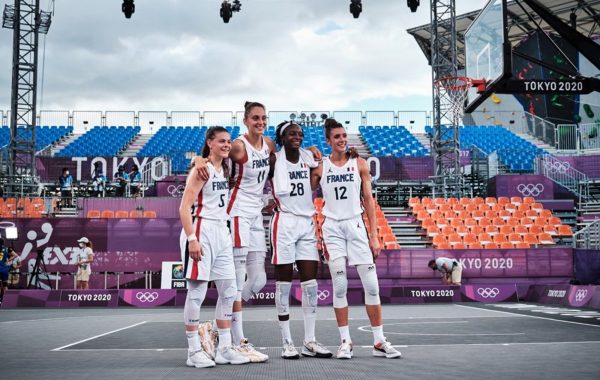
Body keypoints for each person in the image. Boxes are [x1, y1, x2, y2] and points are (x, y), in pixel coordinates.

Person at [311, 118, 401, 360]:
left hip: (356, 225)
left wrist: (374, 235)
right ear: (328, 140)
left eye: (343, 135)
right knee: (340, 286)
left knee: (372, 285)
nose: (341, 140)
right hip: (332, 228)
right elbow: (303, 190)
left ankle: (379, 340)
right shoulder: (321, 166)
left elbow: (369, 201)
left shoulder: (359, 163)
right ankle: (345, 341)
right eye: (336, 137)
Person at [179, 126, 250, 368]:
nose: (227, 145)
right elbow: (183, 207)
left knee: (229, 291)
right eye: (221, 141)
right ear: (210, 143)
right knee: (197, 292)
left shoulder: (225, 168)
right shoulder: (202, 170)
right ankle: (193, 351)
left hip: (221, 231)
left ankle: (224, 349)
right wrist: (191, 239)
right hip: (202, 229)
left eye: (228, 141)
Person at [267, 121, 332, 359]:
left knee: (310, 285)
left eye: (300, 134)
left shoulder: (309, 157)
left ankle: (310, 340)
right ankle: (286, 342)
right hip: (284, 221)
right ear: (282, 137)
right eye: (292, 134)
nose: (297, 137)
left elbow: (321, 169)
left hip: (306, 222)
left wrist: (316, 155)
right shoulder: (274, 159)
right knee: (283, 284)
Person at [0, 239, 18, 306]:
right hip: (4, 269)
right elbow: (15, 255)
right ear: (3, 243)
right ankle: (6, 301)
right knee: (5, 285)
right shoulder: (7, 249)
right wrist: (8, 260)